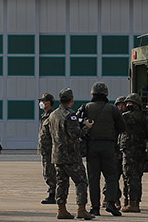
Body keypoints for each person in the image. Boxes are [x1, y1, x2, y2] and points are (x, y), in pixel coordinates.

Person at [79, 83, 125, 217]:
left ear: (93, 94)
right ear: (106, 94)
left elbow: (77, 124)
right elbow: (122, 127)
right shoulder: (112, 109)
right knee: (111, 176)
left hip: (92, 146)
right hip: (108, 146)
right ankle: (111, 203)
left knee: (93, 178)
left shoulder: (85, 107)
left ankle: (95, 207)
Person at [46, 89, 93, 220]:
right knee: (81, 181)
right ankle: (81, 209)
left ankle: (61, 209)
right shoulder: (70, 115)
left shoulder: (53, 115)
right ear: (71, 100)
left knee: (61, 182)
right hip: (70, 155)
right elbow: (75, 133)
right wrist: (87, 127)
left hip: (57, 154)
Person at [117, 94, 148, 213]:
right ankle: (131, 201)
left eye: (130, 103)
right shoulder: (142, 117)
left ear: (136, 104)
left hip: (131, 150)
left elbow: (119, 120)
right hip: (138, 150)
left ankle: (133, 203)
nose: (127, 105)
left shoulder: (132, 116)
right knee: (134, 177)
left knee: (130, 176)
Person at [38, 93, 60, 205]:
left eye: (44, 100)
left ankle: (53, 194)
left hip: (51, 149)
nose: (42, 103)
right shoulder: (45, 115)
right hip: (45, 149)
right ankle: (53, 193)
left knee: (50, 172)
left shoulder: (52, 116)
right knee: (47, 172)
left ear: (49, 102)